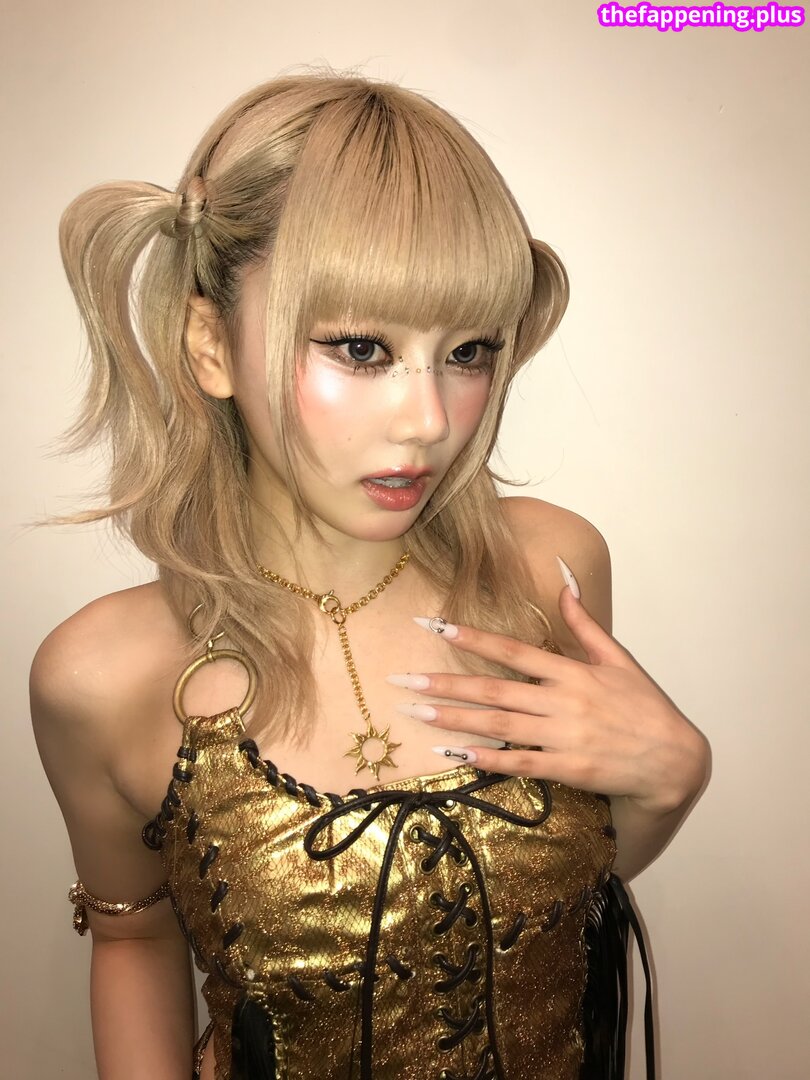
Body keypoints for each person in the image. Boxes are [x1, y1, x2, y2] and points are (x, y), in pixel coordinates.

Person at [30, 68, 709, 1080]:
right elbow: (133, 937)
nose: (429, 420)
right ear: (211, 344)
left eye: (468, 351)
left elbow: (553, 897)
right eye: (361, 348)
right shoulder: (105, 677)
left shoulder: (550, 574)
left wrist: (669, 784)